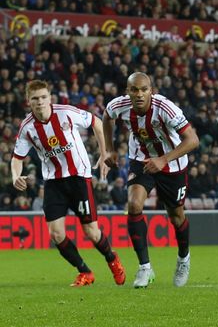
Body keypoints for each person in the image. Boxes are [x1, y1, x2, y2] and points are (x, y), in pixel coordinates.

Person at [11, 80, 125, 287]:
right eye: (35, 99)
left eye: (43, 97)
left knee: (91, 231)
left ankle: (111, 259)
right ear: (29, 101)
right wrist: (15, 176)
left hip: (79, 178)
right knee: (56, 234)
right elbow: (17, 158)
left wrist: (104, 151)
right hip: (53, 182)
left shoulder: (66, 112)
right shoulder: (27, 127)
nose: (40, 102)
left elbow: (97, 123)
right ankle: (85, 272)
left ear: (50, 97)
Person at [103, 72, 199, 288]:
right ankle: (145, 268)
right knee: (134, 204)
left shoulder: (165, 108)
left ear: (151, 91)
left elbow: (193, 140)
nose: (139, 94)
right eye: (134, 90)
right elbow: (107, 116)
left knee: (176, 217)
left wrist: (164, 159)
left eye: (144, 89)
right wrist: (108, 149)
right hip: (141, 160)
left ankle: (184, 258)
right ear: (128, 91)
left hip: (172, 163)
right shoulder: (120, 105)